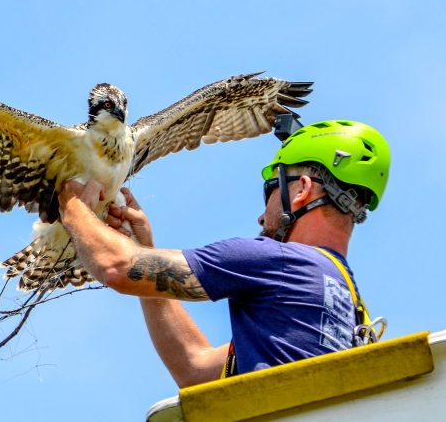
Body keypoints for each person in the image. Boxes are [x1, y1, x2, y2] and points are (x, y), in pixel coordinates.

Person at [57, 120, 390, 387]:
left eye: (272, 190)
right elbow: (195, 367)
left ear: (301, 189)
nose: (262, 216)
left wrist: (69, 202)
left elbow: (116, 267)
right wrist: (146, 252)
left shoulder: (275, 260)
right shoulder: (348, 307)